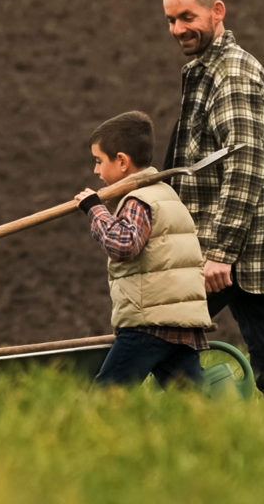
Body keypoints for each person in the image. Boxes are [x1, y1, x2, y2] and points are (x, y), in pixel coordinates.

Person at [159, 0, 264, 404]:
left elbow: (244, 166)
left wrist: (220, 253)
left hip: (233, 253)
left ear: (217, 11)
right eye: (170, 19)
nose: (177, 29)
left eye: (187, 17)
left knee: (153, 335)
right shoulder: (208, 68)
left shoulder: (232, 76)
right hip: (250, 250)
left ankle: (200, 420)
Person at [71, 109, 212, 387]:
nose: (95, 171)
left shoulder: (140, 200)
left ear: (122, 161)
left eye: (99, 161)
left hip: (149, 324)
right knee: (192, 405)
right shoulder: (165, 194)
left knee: (107, 396)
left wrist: (95, 210)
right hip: (177, 323)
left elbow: (123, 245)